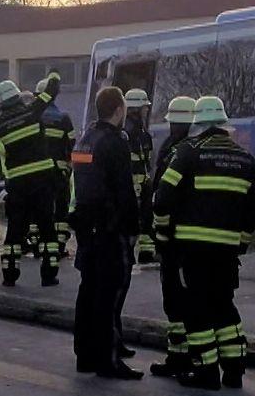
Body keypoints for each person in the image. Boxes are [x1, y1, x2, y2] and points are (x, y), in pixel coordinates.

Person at [153, 96, 255, 391]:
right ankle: (235, 369)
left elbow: (162, 198)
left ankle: (206, 371)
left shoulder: (188, 152)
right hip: (226, 251)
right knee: (223, 305)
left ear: (197, 124)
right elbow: (254, 209)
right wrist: (240, 243)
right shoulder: (245, 159)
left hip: (192, 249)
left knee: (196, 309)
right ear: (224, 123)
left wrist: (162, 235)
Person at [70, 86, 142, 379]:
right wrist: (133, 228)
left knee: (88, 292)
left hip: (87, 226)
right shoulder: (114, 142)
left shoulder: (86, 140)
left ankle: (85, 355)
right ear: (119, 110)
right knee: (109, 295)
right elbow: (124, 190)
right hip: (110, 228)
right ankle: (109, 360)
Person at [148, 96, 200, 379]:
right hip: (186, 236)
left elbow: (161, 195)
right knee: (182, 300)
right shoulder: (191, 148)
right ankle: (182, 356)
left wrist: (160, 235)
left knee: (177, 300)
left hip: (175, 237)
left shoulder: (175, 150)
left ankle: (180, 357)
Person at [0, 80, 61, 286]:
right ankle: (49, 276)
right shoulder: (33, 111)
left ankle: (9, 275)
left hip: (17, 183)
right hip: (42, 181)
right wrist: (55, 72)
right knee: (47, 228)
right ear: (18, 98)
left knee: (15, 229)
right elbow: (52, 90)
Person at [36, 72, 75, 272]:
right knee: (60, 210)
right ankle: (59, 246)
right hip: (59, 173)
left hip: (38, 173)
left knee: (42, 210)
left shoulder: (34, 117)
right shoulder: (63, 118)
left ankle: (39, 246)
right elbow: (73, 146)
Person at [123, 89, 158, 267]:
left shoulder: (141, 131)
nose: (146, 110)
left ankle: (145, 251)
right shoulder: (128, 131)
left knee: (146, 217)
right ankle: (128, 253)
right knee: (133, 220)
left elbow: (146, 159)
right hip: (133, 183)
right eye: (144, 107)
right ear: (137, 109)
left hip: (142, 181)